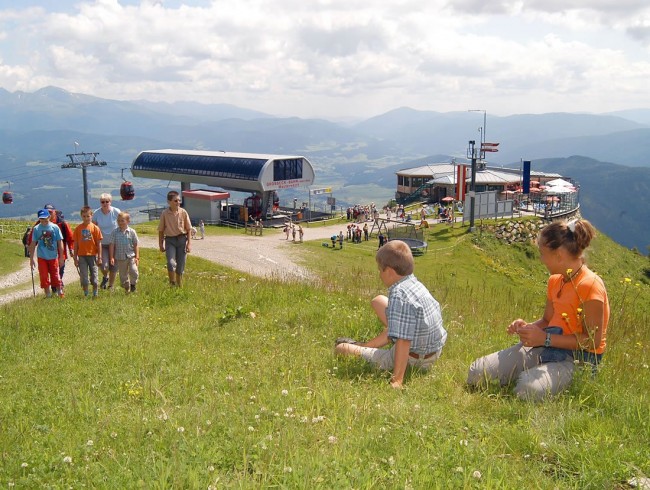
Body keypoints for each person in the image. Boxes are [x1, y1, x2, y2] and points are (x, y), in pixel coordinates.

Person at [466, 219, 609, 401]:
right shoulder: (555, 280)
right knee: (477, 372)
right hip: (546, 347)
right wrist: (527, 328)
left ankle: (532, 377)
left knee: (527, 389)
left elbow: (592, 341)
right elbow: (547, 321)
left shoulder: (590, 286)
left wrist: (545, 338)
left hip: (579, 359)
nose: (540, 259)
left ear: (558, 255)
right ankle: (531, 373)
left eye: (542, 254)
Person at [335, 240, 447, 389]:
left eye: (380, 270)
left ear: (389, 271)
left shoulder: (399, 295)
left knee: (341, 348)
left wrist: (397, 380)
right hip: (432, 350)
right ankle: (366, 346)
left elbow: (403, 341)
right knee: (378, 301)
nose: (379, 274)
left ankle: (361, 348)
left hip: (415, 358)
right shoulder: (413, 282)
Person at [158, 190, 192, 287]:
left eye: (179, 200)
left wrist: (189, 244)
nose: (178, 203)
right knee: (171, 263)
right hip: (170, 240)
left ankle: (179, 285)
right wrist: (160, 244)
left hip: (182, 239)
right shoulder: (165, 213)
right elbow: (160, 230)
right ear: (169, 202)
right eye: (175, 201)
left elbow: (189, 229)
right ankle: (172, 283)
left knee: (180, 265)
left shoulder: (183, 212)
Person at [29, 209, 65, 298]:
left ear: (49, 217)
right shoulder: (37, 229)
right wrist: (31, 259)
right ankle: (47, 294)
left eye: (45, 218)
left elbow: (60, 242)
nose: (44, 221)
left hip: (53, 256)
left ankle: (59, 291)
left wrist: (61, 257)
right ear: (39, 219)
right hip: (42, 256)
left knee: (55, 275)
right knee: (43, 275)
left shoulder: (55, 227)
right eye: (41, 219)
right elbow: (33, 243)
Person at [72, 206, 103, 298]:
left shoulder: (95, 228)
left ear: (91, 216)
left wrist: (100, 257)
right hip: (82, 256)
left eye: (88, 216)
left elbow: (99, 243)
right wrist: (75, 257)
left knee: (94, 277)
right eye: (84, 216)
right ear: (81, 216)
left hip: (93, 255)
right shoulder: (78, 229)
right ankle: (86, 294)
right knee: (84, 277)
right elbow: (76, 244)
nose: (86, 218)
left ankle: (95, 293)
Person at [93, 193, 121, 290]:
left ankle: (111, 286)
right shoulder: (96, 213)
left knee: (114, 266)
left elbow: (122, 223)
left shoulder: (116, 212)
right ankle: (105, 276)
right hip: (102, 244)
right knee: (103, 265)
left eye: (107, 201)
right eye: (102, 202)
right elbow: (93, 228)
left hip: (115, 243)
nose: (105, 204)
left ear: (110, 202)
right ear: (100, 203)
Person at [109, 211, 140, 293]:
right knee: (123, 275)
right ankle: (126, 287)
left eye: (122, 220)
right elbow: (112, 245)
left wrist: (137, 257)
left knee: (134, 270)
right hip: (120, 257)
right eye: (118, 221)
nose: (120, 222)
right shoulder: (114, 232)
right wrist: (111, 257)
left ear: (128, 221)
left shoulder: (132, 232)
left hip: (131, 256)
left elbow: (136, 244)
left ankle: (133, 285)